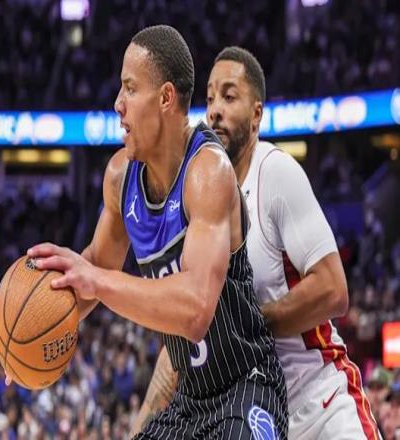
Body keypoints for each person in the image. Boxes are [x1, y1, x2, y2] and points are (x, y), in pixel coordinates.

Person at [10, 27, 288, 438]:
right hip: (190, 400)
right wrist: (25, 335)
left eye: (129, 88)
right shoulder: (119, 178)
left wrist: (96, 279)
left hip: (247, 386)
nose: (117, 104)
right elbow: (96, 267)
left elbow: (195, 310)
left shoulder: (208, 172)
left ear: (165, 98)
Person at [133, 46, 381, 439]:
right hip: (260, 415)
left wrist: (246, 328)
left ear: (257, 114)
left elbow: (333, 290)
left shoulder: (275, 171)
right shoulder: (201, 194)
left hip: (321, 403)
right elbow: (183, 342)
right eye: (210, 99)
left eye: (229, 97)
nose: (215, 110)